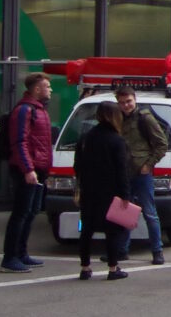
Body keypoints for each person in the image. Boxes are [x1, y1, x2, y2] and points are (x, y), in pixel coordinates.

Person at [0, 72, 53, 274]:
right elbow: (19, 141)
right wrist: (28, 169)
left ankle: (21, 253)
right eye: (47, 86)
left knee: (31, 212)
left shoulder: (39, 110)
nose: (50, 90)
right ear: (37, 89)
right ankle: (9, 258)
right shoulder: (24, 110)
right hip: (27, 169)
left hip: (38, 169)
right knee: (21, 213)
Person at [75, 101, 130, 280]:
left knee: (87, 229)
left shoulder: (86, 137)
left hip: (88, 189)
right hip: (110, 191)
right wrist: (125, 194)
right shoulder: (117, 140)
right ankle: (113, 268)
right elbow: (121, 169)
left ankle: (85, 267)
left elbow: (77, 165)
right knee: (112, 230)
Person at [116, 86, 167, 266]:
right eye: (122, 102)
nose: (126, 105)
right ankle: (121, 250)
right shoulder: (117, 118)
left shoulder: (145, 118)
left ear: (135, 99)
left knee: (150, 213)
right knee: (124, 213)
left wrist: (148, 165)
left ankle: (157, 251)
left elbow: (162, 144)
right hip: (124, 173)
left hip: (141, 173)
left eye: (128, 101)